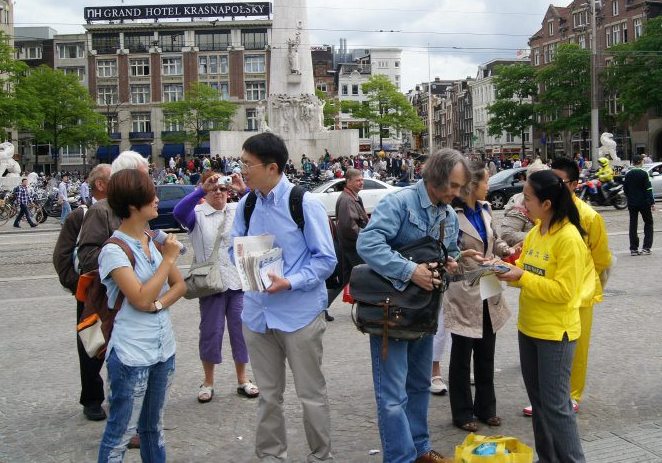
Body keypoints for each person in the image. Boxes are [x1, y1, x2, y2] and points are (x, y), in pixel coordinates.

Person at [356, 148, 472, 463]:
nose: (457, 193)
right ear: (435, 178)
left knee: (420, 385)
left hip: (425, 312)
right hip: (392, 313)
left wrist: (452, 261)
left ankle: (420, 449)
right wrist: (411, 270)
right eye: (453, 185)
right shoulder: (399, 203)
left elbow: (450, 252)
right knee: (392, 395)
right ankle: (400, 458)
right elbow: (368, 243)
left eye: (460, 186)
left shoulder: (448, 214)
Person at [230, 133, 337, 462]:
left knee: (310, 394)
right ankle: (271, 456)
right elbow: (234, 245)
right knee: (268, 396)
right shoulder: (247, 204)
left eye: (247, 164)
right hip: (257, 315)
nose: (241, 170)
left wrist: (290, 281)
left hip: (299, 315)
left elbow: (326, 260)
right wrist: (246, 261)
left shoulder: (303, 203)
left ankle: (320, 456)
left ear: (272, 167)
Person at [497, 170, 592, 463]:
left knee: (556, 407)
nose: (521, 205)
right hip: (529, 328)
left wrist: (521, 276)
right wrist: (498, 268)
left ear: (547, 204)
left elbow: (564, 292)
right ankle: (547, 458)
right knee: (539, 404)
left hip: (555, 334)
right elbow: (524, 273)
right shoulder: (537, 232)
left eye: (527, 199)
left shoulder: (569, 238)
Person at [97, 169, 186, 462]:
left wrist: (157, 305)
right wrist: (168, 259)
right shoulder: (114, 249)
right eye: (151, 195)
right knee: (120, 434)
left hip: (163, 349)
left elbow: (180, 286)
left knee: (153, 429)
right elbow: (139, 298)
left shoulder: (152, 239)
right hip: (131, 353)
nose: (157, 199)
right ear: (133, 205)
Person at [77, 151, 150, 448]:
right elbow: (87, 256)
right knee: (119, 364)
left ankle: (138, 423)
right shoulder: (101, 211)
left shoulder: (139, 210)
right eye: (144, 176)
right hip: (112, 302)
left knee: (139, 363)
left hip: (138, 300)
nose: (150, 182)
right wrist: (123, 263)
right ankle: (123, 427)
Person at [173, 171, 259, 403]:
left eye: (223, 188)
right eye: (214, 188)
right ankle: (208, 381)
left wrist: (243, 189)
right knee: (211, 332)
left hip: (237, 281)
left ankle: (242, 378)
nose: (219, 192)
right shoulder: (197, 214)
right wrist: (202, 189)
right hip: (211, 283)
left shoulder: (236, 209)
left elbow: (260, 207)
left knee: (240, 332)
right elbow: (178, 212)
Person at [443, 161, 516, 432]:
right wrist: (464, 258)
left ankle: (487, 408)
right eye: (486, 181)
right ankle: (462, 413)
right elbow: (446, 251)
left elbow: (493, 240)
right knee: (462, 354)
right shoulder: (451, 214)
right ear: (472, 185)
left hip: (488, 284)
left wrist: (506, 249)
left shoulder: (485, 208)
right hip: (464, 288)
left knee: (487, 350)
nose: (489, 185)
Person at [543, 157, 612, 416]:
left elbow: (601, 259)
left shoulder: (590, 217)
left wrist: (586, 282)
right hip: (550, 289)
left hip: (580, 293)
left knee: (577, 347)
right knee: (549, 345)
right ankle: (547, 396)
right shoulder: (547, 211)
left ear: (574, 184)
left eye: (559, 181)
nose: (554, 186)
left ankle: (572, 395)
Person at [53, 164, 111, 421]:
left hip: (121, 291)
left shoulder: (123, 211)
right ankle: (92, 399)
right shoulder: (80, 215)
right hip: (91, 294)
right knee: (90, 345)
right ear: (100, 184)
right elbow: (61, 257)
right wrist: (79, 286)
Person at [500, 160, 548, 246]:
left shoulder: (551, 199)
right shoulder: (520, 201)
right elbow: (507, 234)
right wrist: (541, 237)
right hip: (528, 252)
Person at [335, 168, 368, 285]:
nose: (361, 182)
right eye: (358, 180)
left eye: (362, 180)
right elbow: (349, 227)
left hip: (353, 245)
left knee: (351, 276)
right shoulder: (347, 200)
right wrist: (367, 236)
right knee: (357, 278)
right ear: (348, 182)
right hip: (353, 247)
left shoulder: (353, 197)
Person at [623, 154, 654, 256]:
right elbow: (648, 189)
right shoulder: (644, 173)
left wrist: (630, 197)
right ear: (641, 162)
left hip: (632, 203)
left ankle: (633, 249)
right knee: (648, 223)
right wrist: (652, 202)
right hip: (644, 203)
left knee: (633, 224)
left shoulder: (628, 174)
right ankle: (646, 248)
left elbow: (625, 189)